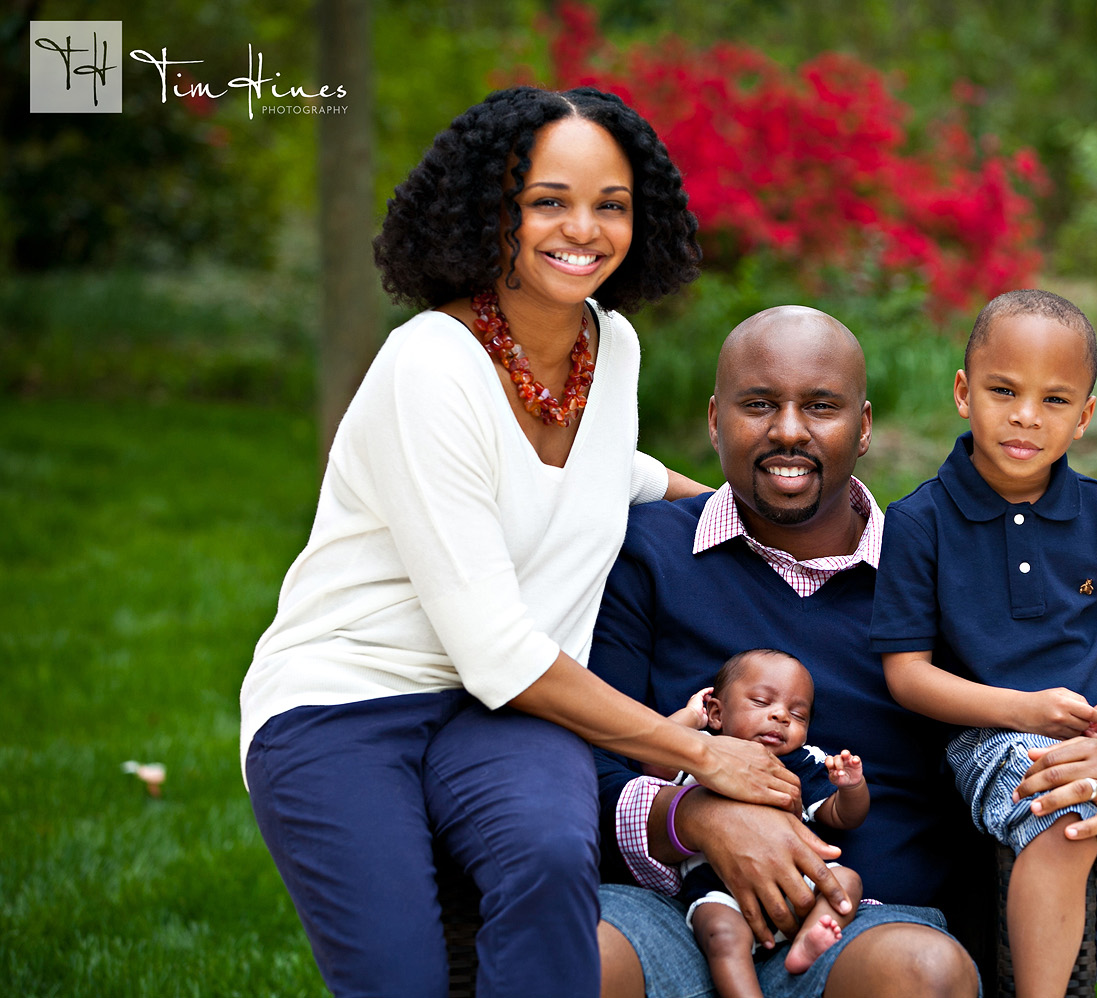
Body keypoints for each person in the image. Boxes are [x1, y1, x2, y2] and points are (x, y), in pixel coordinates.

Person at [239, 87, 802, 998]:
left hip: (501, 715)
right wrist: (696, 753)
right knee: (401, 978)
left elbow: (609, 466)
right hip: (344, 704)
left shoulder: (608, 346)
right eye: (548, 201)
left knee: (547, 856)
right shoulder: (429, 364)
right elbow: (499, 651)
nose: (583, 228)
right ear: (489, 210)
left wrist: (775, 521)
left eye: (609, 205)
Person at [588, 305, 1097, 998]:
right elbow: (587, 762)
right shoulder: (647, 553)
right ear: (716, 419)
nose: (787, 430)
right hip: (671, 909)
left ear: (862, 427)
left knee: (924, 975)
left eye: (820, 406)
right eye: (757, 405)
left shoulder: (931, 563)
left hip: (862, 927)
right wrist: (696, 820)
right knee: (580, 956)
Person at [877, 289, 1097, 997]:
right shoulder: (920, 521)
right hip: (992, 737)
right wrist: (1023, 711)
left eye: (1055, 400)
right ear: (964, 393)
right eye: (1004, 390)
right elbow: (907, 674)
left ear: (1085, 417)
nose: (1027, 415)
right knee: (1064, 813)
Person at [648, 649, 869, 998]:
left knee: (847, 882)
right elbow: (654, 757)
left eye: (798, 714)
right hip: (719, 886)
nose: (781, 715)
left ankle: (809, 942)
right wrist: (692, 718)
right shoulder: (703, 749)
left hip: (798, 882)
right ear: (717, 713)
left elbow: (842, 816)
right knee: (722, 934)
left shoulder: (800, 761)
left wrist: (851, 787)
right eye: (762, 701)